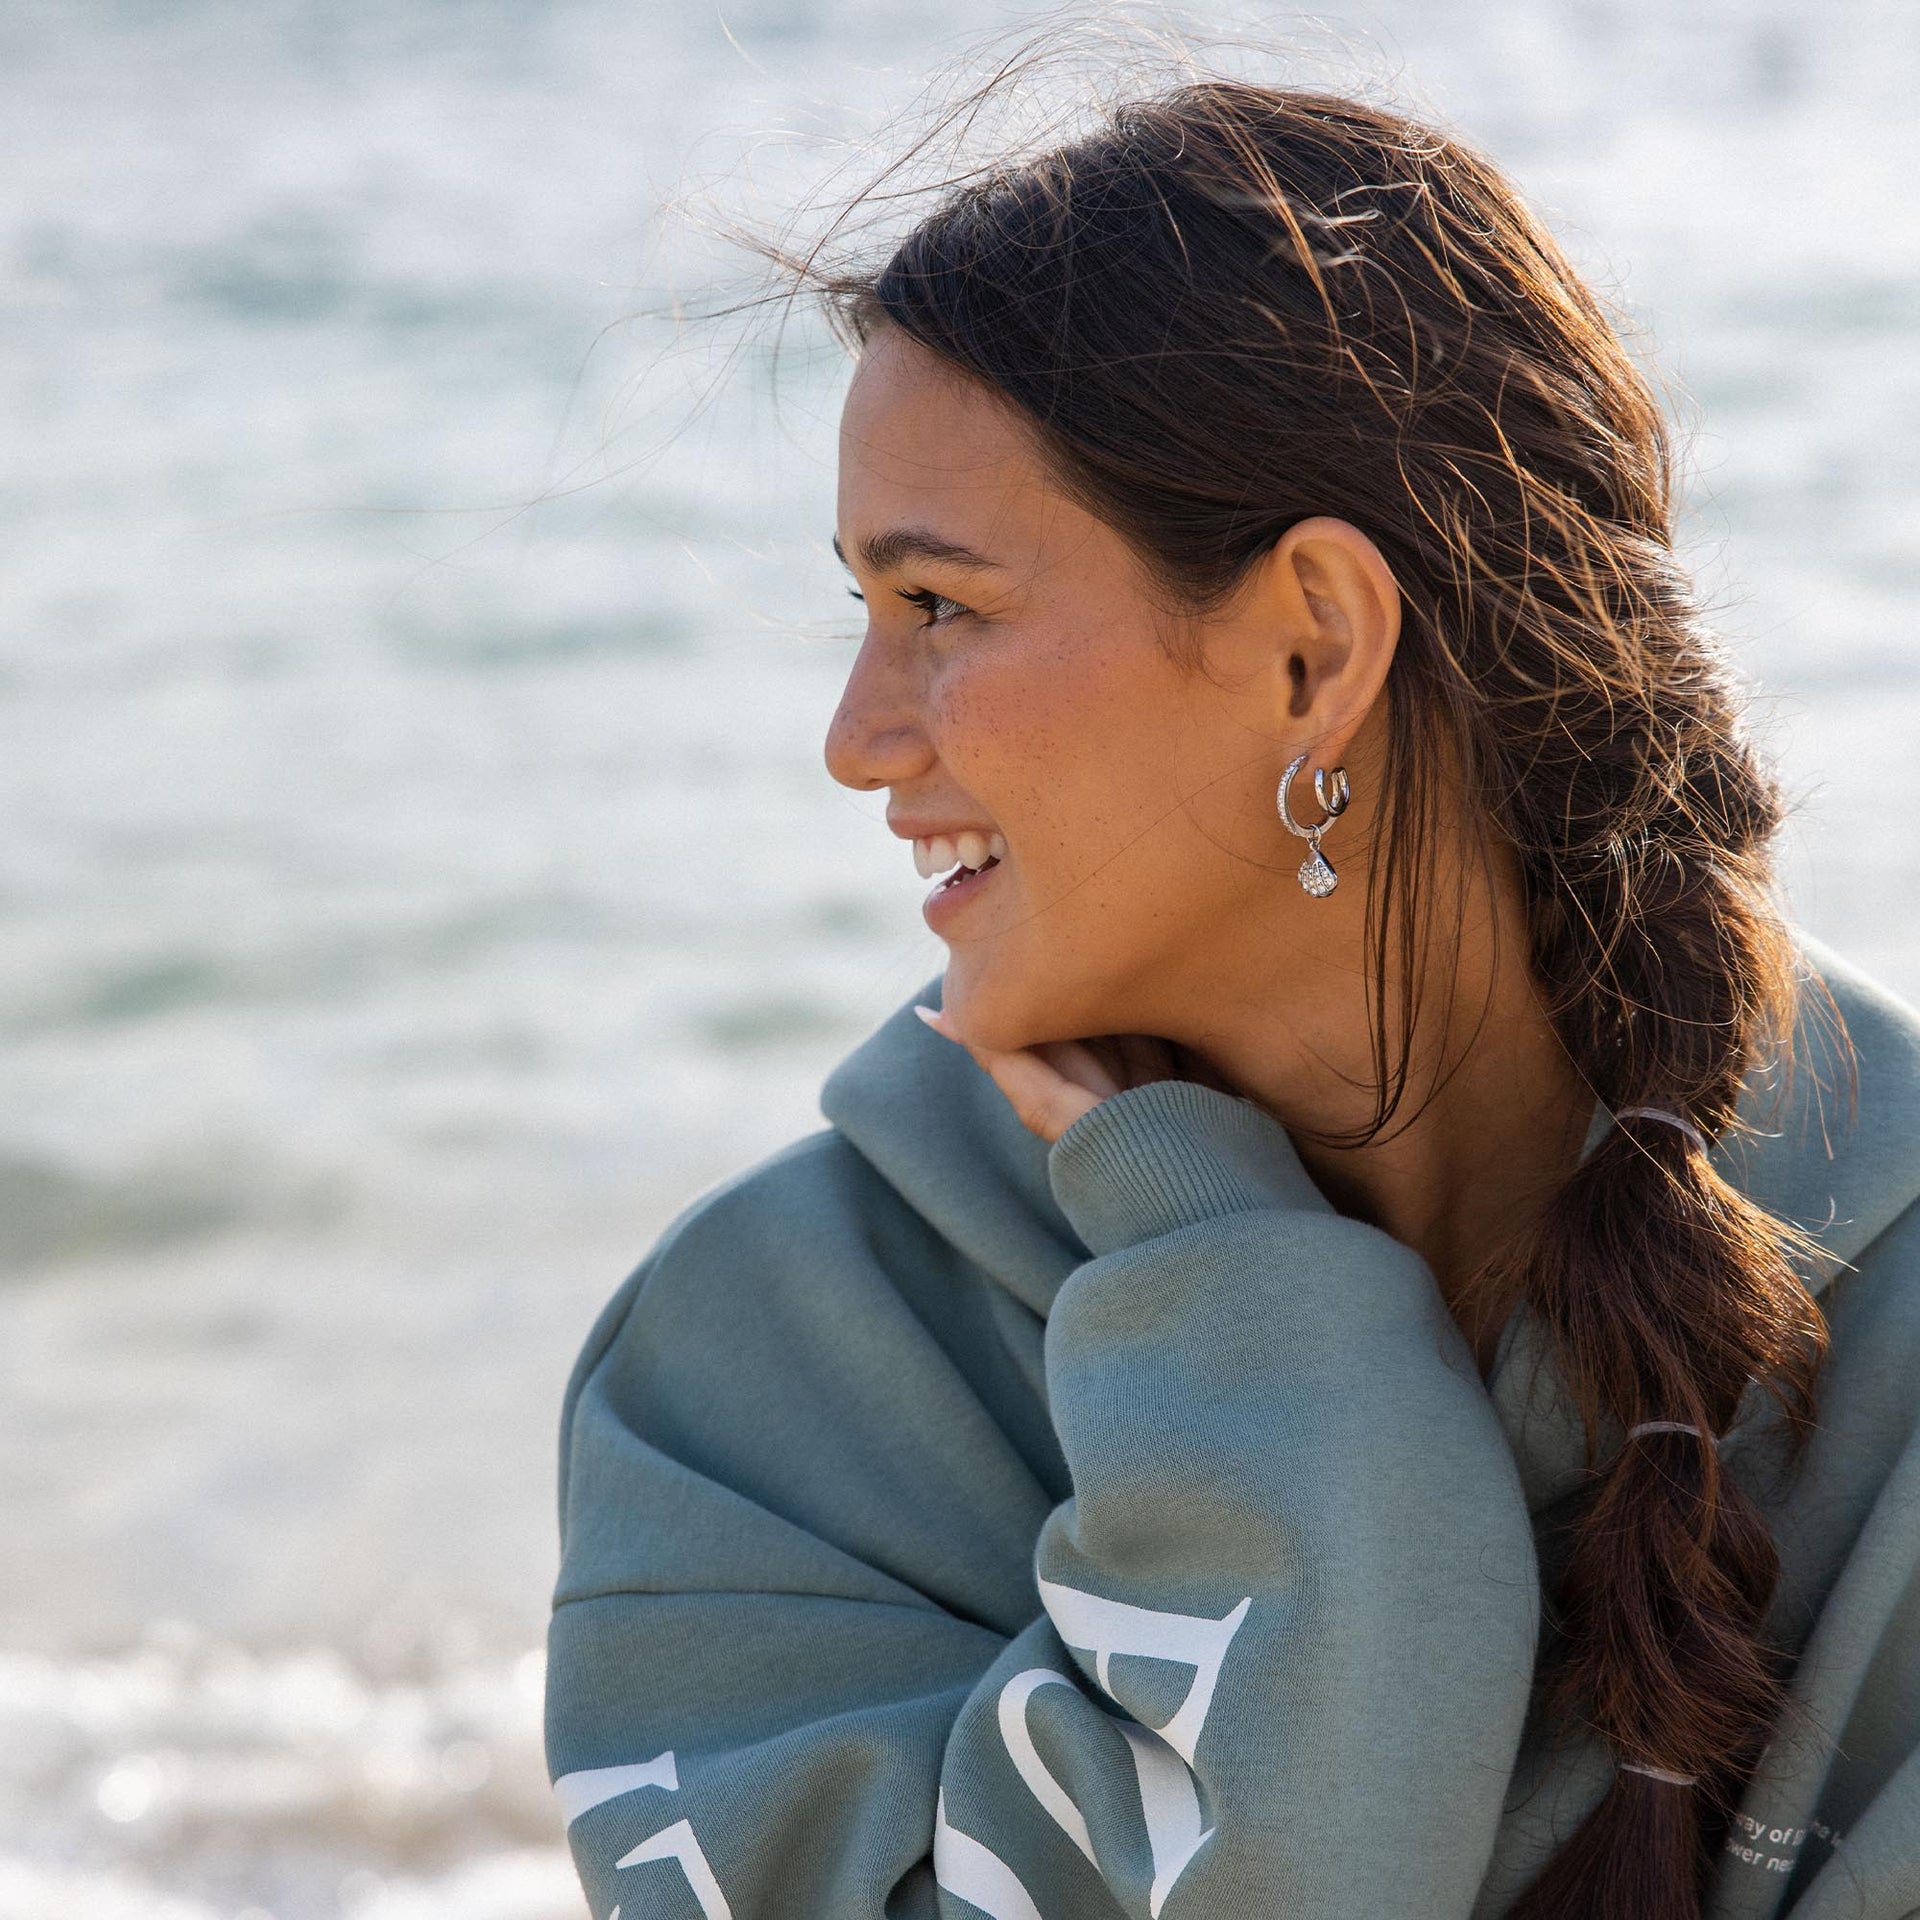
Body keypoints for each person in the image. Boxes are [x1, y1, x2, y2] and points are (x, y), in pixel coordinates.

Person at [542, 78, 1920, 1920]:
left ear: (1312, 648)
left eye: (938, 605)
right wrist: (1261, 1340)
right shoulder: (761, 1367)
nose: (856, 740)